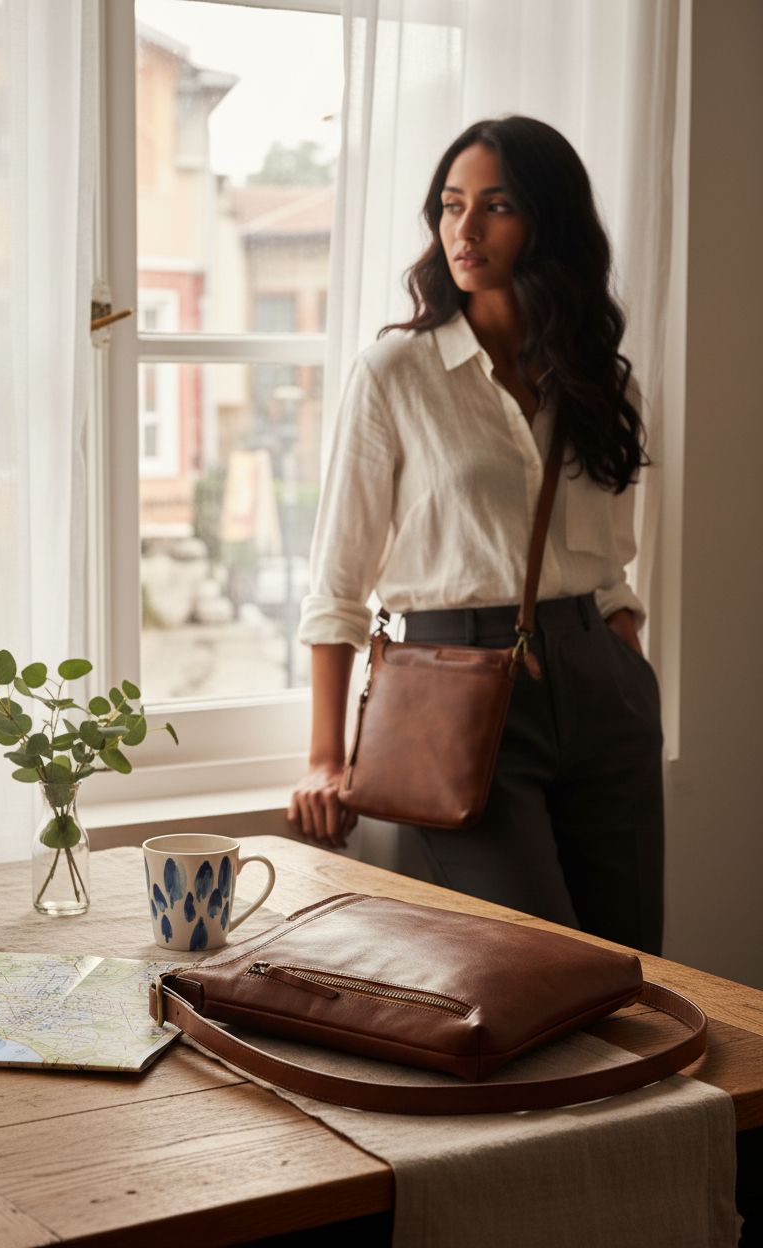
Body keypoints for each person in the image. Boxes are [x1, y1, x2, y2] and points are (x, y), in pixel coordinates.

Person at [287, 116, 664, 955]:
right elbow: (339, 584)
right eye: (452, 205)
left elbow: (611, 569)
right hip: (453, 691)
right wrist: (325, 758)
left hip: (600, 682)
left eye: (496, 206)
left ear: (549, 222)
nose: (465, 228)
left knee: (638, 972)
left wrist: (624, 663)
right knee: (546, 965)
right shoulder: (396, 373)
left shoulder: (601, 384)